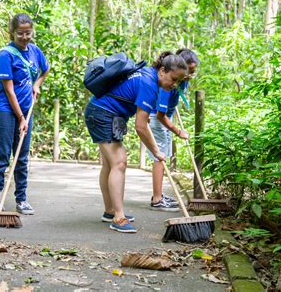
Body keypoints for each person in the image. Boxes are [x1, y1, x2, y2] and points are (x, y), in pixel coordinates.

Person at [84, 52, 187, 233]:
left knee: (110, 164)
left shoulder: (147, 74)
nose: (174, 84)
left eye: (178, 81)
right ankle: (118, 217)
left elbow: (141, 117)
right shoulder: (150, 84)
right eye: (173, 78)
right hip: (102, 113)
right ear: (162, 71)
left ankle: (110, 211)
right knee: (119, 162)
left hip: (99, 111)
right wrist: (156, 151)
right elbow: (141, 127)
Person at [0, 13, 50, 215]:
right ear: (12, 32)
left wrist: (36, 85)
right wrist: (21, 118)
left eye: (28, 33)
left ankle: (21, 200)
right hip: (5, 109)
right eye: (20, 33)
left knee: (22, 156)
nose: (24, 37)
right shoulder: (6, 54)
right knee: (3, 155)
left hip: (25, 109)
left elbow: (45, 70)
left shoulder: (35, 51)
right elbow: (9, 90)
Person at [147, 48, 200, 211]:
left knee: (165, 155)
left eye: (193, 71)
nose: (191, 74)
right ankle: (157, 199)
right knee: (160, 156)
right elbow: (160, 115)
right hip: (157, 118)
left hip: (165, 118)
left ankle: (160, 195)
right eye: (189, 71)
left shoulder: (182, 79)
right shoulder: (167, 84)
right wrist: (178, 132)